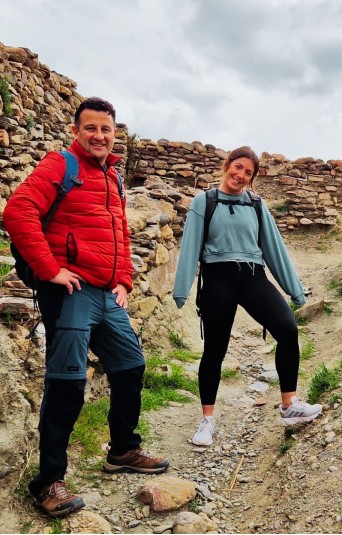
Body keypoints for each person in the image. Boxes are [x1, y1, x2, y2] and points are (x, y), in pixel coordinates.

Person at [3, 97, 169, 517]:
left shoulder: (113, 176)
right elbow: (18, 210)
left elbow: (120, 234)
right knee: (67, 383)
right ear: (77, 131)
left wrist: (126, 279)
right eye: (90, 128)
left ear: (115, 133)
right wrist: (50, 268)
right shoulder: (62, 165)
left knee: (131, 366)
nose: (98, 135)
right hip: (71, 292)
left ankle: (123, 451)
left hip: (106, 293)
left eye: (106, 129)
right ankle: (48, 482)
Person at [173, 146, 322, 447]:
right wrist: (181, 291)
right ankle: (207, 420)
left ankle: (289, 405)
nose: (240, 175)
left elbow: (274, 248)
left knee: (288, 330)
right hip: (217, 280)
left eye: (248, 173)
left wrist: (294, 290)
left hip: (253, 277)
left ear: (253, 178)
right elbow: (189, 247)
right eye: (237, 167)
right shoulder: (205, 201)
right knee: (215, 351)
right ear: (227, 165)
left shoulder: (256, 204)